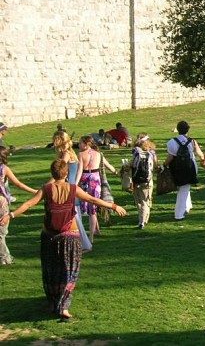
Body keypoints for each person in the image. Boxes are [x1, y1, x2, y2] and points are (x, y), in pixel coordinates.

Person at [1, 159, 126, 320]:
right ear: (66, 173)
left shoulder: (46, 189)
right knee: (69, 271)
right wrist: (114, 206)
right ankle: (64, 307)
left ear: (52, 173)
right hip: (70, 236)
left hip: (49, 236)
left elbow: (28, 204)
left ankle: (53, 302)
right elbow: (93, 200)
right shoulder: (73, 189)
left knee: (51, 270)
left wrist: (10, 215)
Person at [53, 131, 91, 251]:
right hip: (72, 188)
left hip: (68, 189)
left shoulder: (66, 155)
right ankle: (81, 244)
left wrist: (47, 186)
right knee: (74, 217)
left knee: (74, 218)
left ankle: (84, 244)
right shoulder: (71, 153)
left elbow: (59, 172)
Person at [0, 146, 38, 265]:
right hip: (1, 202)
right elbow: (18, 184)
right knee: (2, 232)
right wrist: (35, 192)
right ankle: (5, 258)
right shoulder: (4, 169)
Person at [77, 136, 117, 242]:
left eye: (80, 143)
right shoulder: (99, 154)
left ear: (86, 144)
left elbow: (80, 170)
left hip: (86, 178)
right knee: (94, 205)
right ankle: (96, 231)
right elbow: (108, 166)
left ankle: (90, 237)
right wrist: (115, 172)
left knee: (90, 210)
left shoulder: (81, 154)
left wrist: (75, 183)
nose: (79, 145)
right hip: (96, 179)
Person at [165, 121, 203, 220]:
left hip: (177, 168)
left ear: (177, 129)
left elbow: (170, 157)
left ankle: (187, 206)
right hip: (190, 167)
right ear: (188, 129)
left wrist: (164, 165)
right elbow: (199, 153)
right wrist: (204, 160)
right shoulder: (192, 141)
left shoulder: (172, 142)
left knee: (183, 188)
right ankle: (179, 214)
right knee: (184, 190)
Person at [131, 133, 157, 228]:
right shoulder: (152, 152)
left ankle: (141, 219)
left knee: (139, 201)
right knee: (146, 200)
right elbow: (155, 165)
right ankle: (144, 220)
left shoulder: (136, 152)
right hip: (148, 180)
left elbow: (132, 165)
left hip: (136, 179)